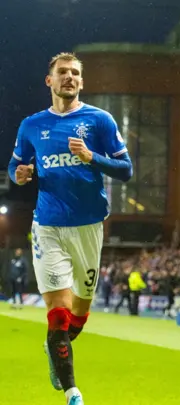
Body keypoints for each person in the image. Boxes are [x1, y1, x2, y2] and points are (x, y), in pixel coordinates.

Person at [7, 52, 133, 405]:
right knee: (58, 314)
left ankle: (55, 350)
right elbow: (15, 166)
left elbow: (127, 170)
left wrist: (93, 157)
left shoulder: (100, 121)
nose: (70, 77)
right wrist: (19, 174)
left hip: (89, 228)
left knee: (78, 316)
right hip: (47, 226)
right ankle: (73, 393)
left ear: (82, 81)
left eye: (75, 73)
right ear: (49, 81)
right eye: (62, 72)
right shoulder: (31, 125)